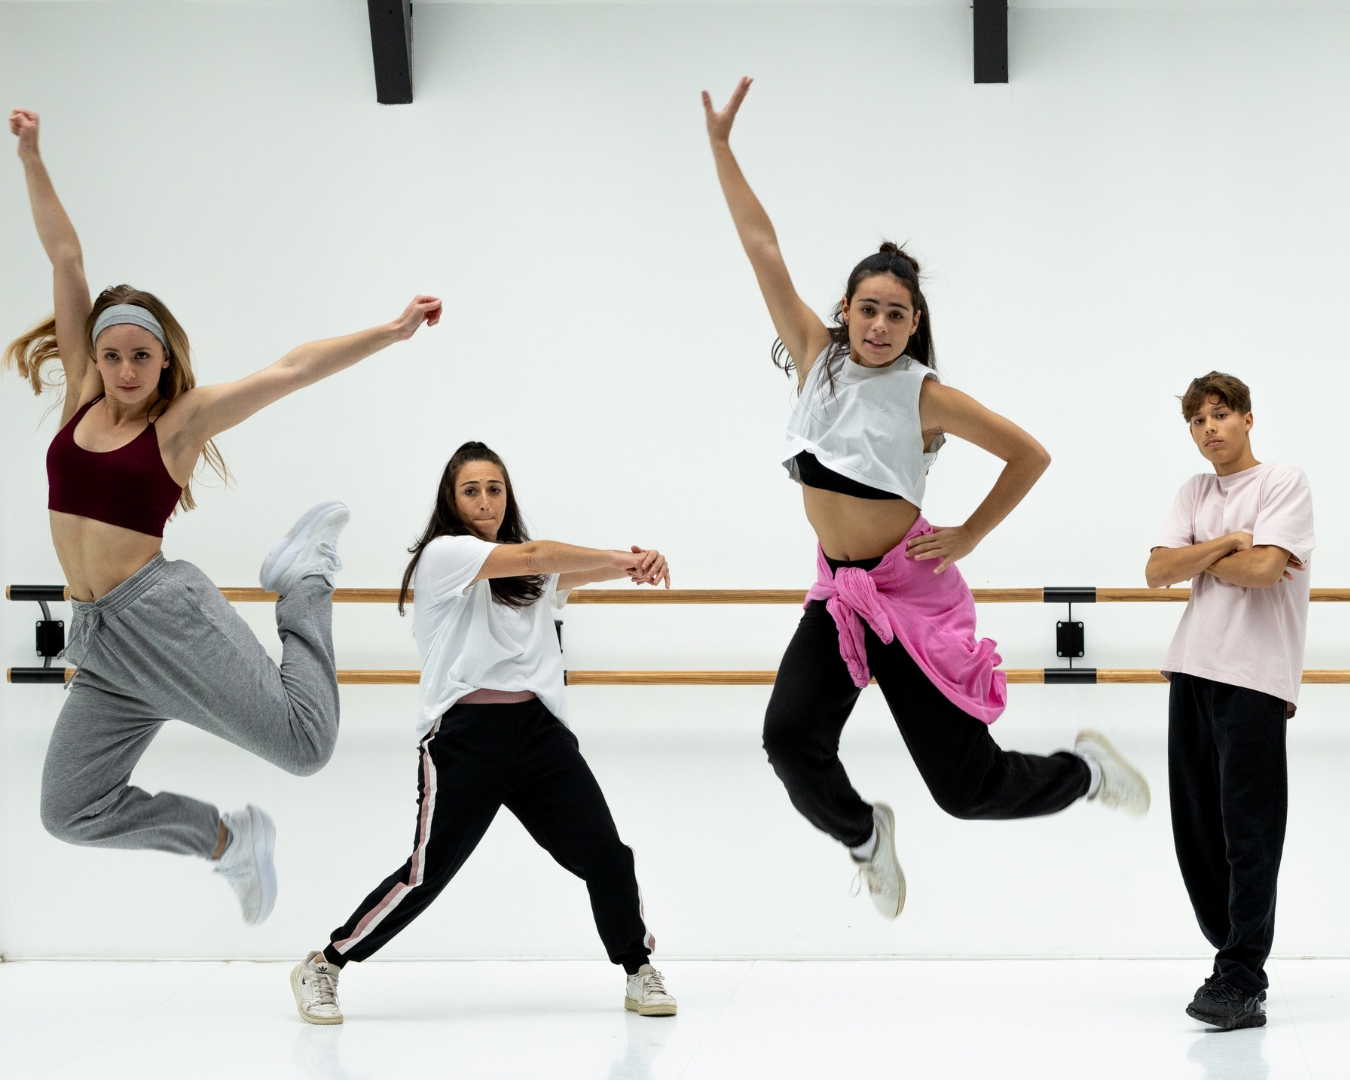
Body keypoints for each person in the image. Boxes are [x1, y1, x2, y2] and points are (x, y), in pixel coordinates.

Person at [702, 78, 1150, 921]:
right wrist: (723, 147)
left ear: (914, 325)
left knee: (967, 789)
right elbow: (761, 245)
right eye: (867, 309)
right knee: (789, 740)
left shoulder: (922, 394)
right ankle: (865, 836)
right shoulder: (815, 356)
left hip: (906, 593)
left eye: (896, 316)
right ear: (845, 310)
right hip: (841, 593)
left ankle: (1085, 772)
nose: (878, 325)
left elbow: (1029, 453)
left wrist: (972, 534)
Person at [4, 107, 441, 926]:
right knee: (69, 809)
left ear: (163, 358)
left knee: (306, 746)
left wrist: (390, 331)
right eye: (112, 354)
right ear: (94, 357)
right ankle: (226, 842)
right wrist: (30, 155)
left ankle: (304, 578)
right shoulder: (80, 399)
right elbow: (66, 255)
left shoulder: (179, 424)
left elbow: (291, 369)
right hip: (98, 639)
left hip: (163, 616)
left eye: (142, 354)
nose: (126, 368)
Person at [290, 442, 678, 1025]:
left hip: (539, 735)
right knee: (426, 875)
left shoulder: (531, 574)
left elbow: (558, 570)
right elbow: (535, 556)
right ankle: (326, 963)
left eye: (494, 488)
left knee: (607, 855)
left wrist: (635, 561)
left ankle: (637, 967)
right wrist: (623, 559)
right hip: (465, 737)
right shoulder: (446, 555)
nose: (484, 500)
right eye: (471, 490)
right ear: (452, 498)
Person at [1145, 372, 1312, 1031]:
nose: (1209, 428)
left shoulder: (1283, 482)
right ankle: (1232, 960)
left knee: (1249, 834)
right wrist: (1228, 544)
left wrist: (1195, 556)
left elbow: (1266, 571)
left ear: (1247, 418)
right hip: (1190, 671)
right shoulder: (1194, 491)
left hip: (1256, 678)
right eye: (1197, 421)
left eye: (1220, 415)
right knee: (1197, 835)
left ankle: (1242, 975)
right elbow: (1157, 570)